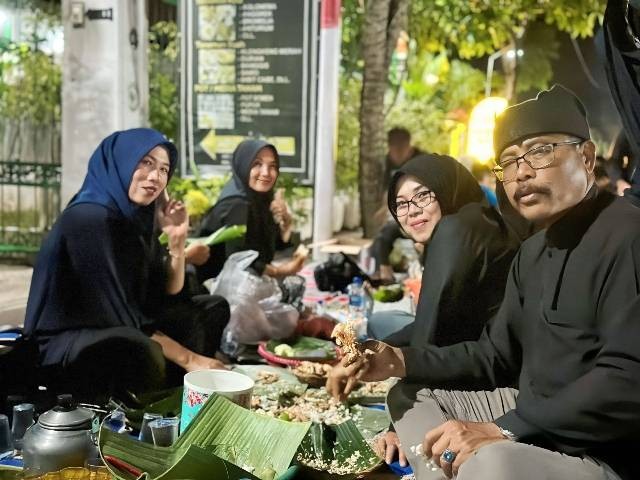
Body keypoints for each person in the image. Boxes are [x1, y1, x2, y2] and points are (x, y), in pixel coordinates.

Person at [328, 85, 640, 480]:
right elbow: (493, 355)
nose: (522, 172)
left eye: (540, 151)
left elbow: (627, 380)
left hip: (600, 453)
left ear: (588, 157)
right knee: (409, 394)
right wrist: (399, 360)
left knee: (494, 462)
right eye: (508, 162)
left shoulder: (628, 235)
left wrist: (504, 428)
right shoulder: (534, 251)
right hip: (531, 418)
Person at [24, 128, 229, 401]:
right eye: (145, 163)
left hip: (119, 328)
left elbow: (170, 293)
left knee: (209, 309)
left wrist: (177, 241)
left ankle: (178, 392)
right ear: (119, 162)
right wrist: (191, 359)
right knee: (138, 346)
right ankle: (146, 411)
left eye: (164, 169)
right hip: (65, 344)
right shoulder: (89, 218)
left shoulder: (135, 220)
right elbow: (120, 317)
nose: (155, 177)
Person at [365, 153, 519, 347]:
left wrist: (388, 364)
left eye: (422, 195)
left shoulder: (457, 231)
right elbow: (431, 323)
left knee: (378, 322)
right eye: (401, 204)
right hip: (466, 349)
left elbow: (431, 340)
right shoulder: (475, 222)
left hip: (481, 363)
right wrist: (375, 350)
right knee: (381, 324)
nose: (412, 210)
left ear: (446, 189)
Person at [195, 139, 305, 282]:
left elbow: (271, 248)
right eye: (257, 164)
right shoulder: (236, 205)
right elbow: (240, 262)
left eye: (272, 166)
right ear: (243, 166)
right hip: (216, 291)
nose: (266, 173)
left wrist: (287, 223)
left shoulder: (259, 200)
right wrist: (281, 271)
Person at [371, 128, 424, 282]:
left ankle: (422, 272)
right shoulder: (388, 161)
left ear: (409, 147)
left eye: (401, 151)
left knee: (421, 242)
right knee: (382, 238)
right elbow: (387, 189)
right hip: (400, 212)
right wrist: (384, 208)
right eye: (393, 151)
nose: (396, 155)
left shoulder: (422, 160)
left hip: (421, 211)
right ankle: (383, 273)